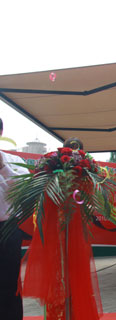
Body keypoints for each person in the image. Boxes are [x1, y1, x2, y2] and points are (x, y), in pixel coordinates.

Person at [0, 117, 29, 320]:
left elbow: (23, 193)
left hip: (7, 229)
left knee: (9, 283)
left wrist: (2, 167)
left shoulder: (14, 162)